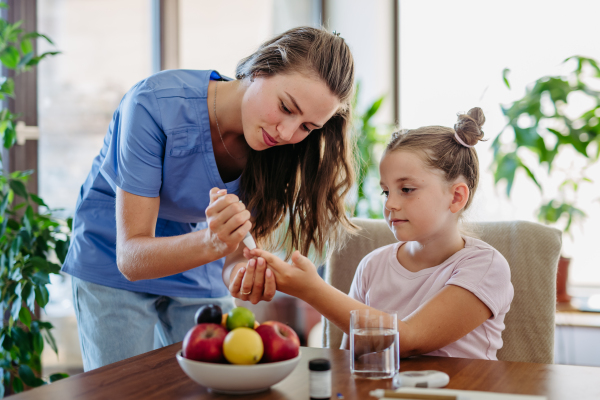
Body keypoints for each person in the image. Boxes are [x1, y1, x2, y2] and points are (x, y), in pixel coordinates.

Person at [62, 27, 357, 371]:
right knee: (126, 388)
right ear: (261, 67)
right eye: (286, 107)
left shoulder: (282, 153)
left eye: (308, 126)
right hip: (112, 255)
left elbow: (232, 259)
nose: (287, 133)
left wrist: (242, 275)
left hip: (197, 261)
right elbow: (131, 259)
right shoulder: (154, 103)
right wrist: (213, 241)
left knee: (216, 384)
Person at [236, 107, 515, 360]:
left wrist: (311, 289)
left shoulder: (485, 267)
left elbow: (411, 339)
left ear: (456, 197)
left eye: (406, 189)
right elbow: (351, 360)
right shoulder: (373, 265)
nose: (390, 203)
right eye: (386, 191)